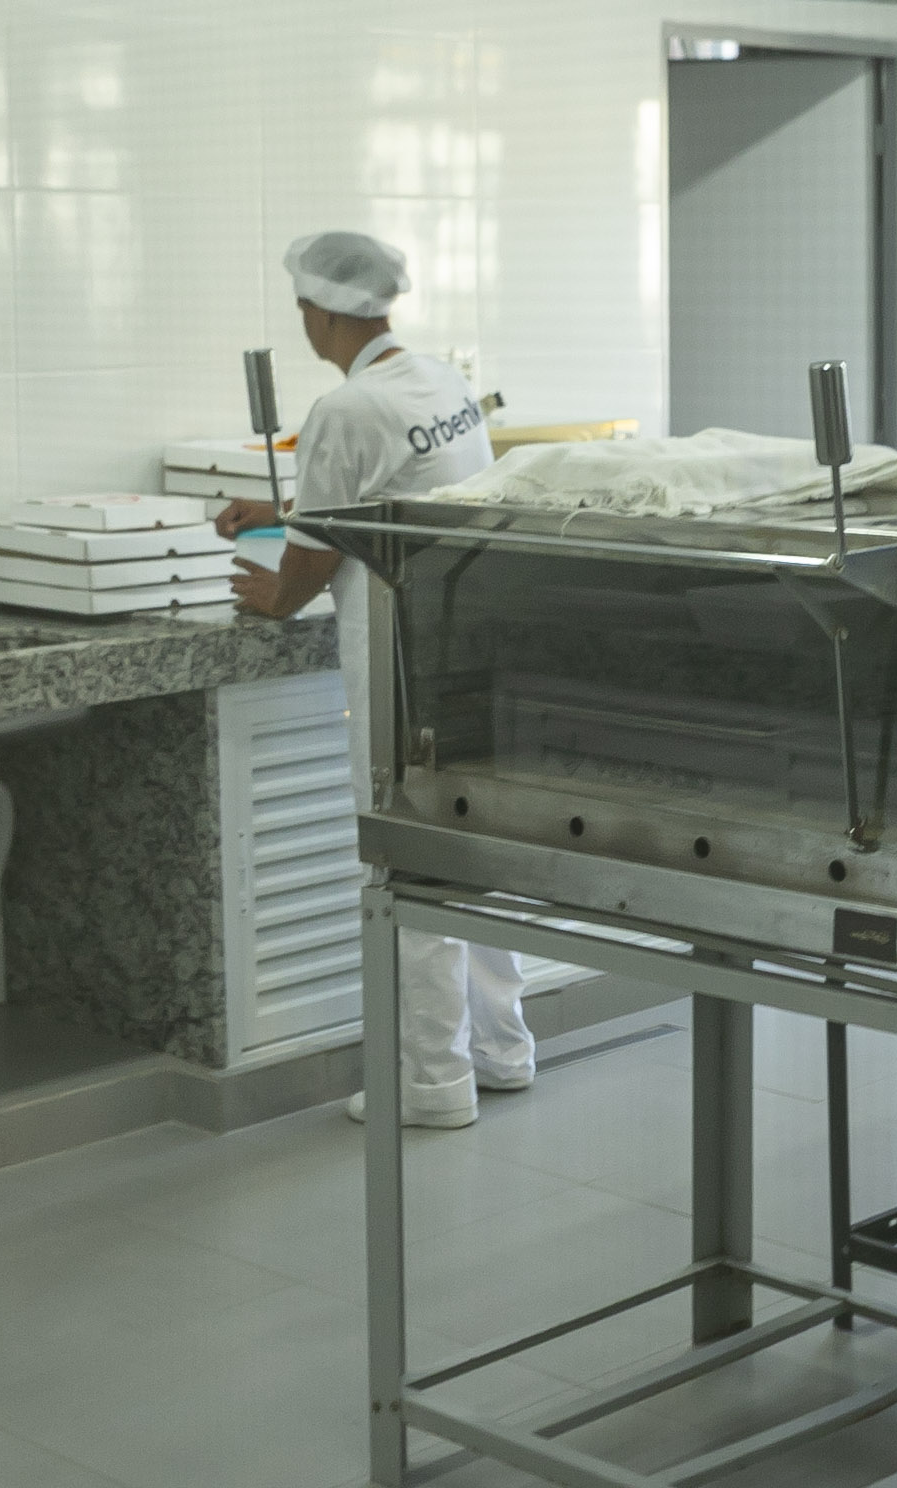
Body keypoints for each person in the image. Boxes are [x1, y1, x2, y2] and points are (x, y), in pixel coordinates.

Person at [221, 230, 530, 1130]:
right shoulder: (440, 382)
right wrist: (281, 509)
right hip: (474, 646)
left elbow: (315, 559)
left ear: (320, 314)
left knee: (411, 859)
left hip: (402, 661)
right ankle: (502, 1050)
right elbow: (393, 487)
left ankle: (431, 1082)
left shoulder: (345, 408)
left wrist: (273, 597)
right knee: (478, 853)